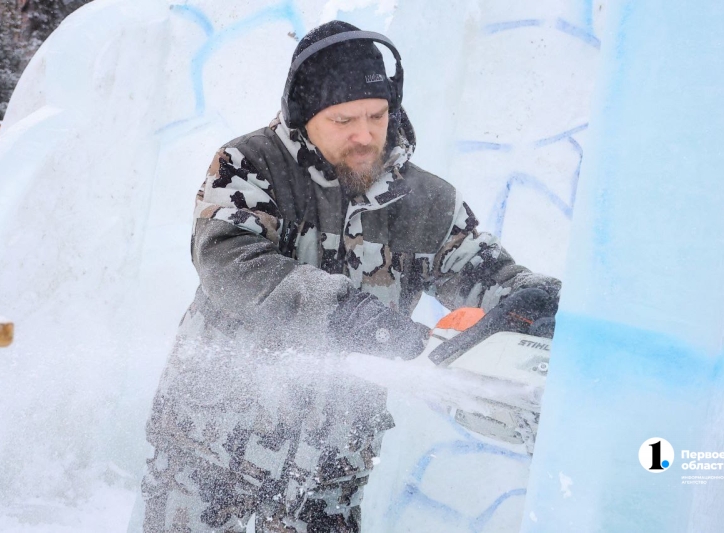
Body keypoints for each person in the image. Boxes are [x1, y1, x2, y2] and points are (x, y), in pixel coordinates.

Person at [139, 20, 560, 533]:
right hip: (209, 449)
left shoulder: (427, 201)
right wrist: (349, 316)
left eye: (377, 116)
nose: (364, 136)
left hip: (330, 472)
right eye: (343, 120)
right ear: (303, 115)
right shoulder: (249, 164)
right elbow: (229, 260)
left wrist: (528, 300)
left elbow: (483, 270)